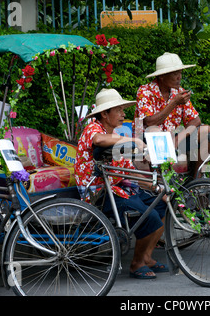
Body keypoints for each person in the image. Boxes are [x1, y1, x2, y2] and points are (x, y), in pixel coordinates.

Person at [75, 88, 168, 279]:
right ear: (104, 114)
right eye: (118, 110)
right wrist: (132, 139)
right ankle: (135, 264)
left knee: (160, 204)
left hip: (119, 189)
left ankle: (147, 257)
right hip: (99, 195)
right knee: (147, 217)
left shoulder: (115, 135)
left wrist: (156, 188)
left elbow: (129, 172)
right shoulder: (93, 129)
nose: (123, 114)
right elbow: (99, 140)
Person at [135, 52, 210, 177]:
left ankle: (196, 181)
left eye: (180, 73)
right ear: (162, 76)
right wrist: (174, 103)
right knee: (155, 131)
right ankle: (166, 187)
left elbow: (195, 120)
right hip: (148, 140)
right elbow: (149, 122)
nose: (179, 77)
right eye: (175, 73)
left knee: (206, 130)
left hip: (172, 138)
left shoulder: (179, 91)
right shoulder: (145, 91)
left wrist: (177, 139)